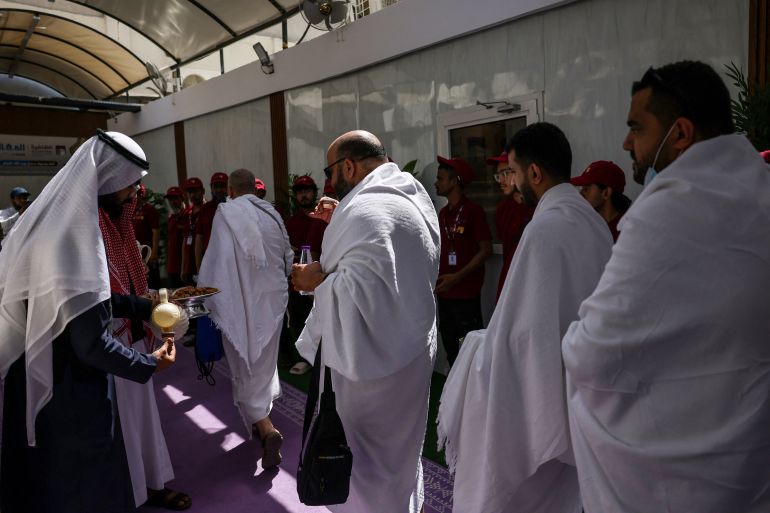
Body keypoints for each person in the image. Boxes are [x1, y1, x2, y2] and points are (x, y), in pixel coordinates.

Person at [563, 60, 770, 513]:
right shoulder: (761, 188)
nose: (626, 143)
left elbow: (594, 352)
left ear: (679, 133)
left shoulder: (666, 212)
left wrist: (574, 341)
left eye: (637, 128)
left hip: (686, 477)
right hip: (752, 461)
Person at [437, 122, 613, 513]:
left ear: (534, 173)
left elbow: (523, 335)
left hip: (545, 385)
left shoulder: (546, 227)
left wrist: (481, 348)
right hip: (585, 386)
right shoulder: (594, 223)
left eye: (513, 173)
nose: (512, 183)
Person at [0, 130, 177, 513]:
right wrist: (150, 363)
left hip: (39, 371)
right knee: (82, 484)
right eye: (130, 186)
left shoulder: (52, 225)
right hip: (69, 387)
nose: (134, 196)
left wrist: (140, 308)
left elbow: (78, 299)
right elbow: (89, 342)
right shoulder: (74, 237)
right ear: (110, 180)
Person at [292, 130, 440, 513]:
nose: (329, 183)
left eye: (330, 173)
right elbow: (386, 270)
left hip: (367, 366)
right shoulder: (413, 197)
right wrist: (340, 216)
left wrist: (312, 282)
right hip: (413, 349)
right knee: (401, 453)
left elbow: (352, 289)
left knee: (364, 466)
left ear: (348, 166)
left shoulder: (360, 211)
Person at [198, 168, 293, 470]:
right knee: (263, 363)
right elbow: (288, 259)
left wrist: (207, 295)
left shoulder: (224, 213)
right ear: (255, 188)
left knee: (243, 363)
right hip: (271, 301)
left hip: (238, 303)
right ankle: (261, 424)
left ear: (231, 190)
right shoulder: (273, 215)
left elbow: (217, 262)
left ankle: (266, 428)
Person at [433, 155, 492, 366]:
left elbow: (485, 251)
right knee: (450, 348)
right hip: (445, 293)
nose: (436, 183)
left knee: (470, 349)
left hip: (465, 295)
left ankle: (474, 397)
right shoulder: (442, 214)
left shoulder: (473, 211)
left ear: (454, 181)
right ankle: (452, 396)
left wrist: (456, 277)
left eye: (440, 178)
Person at [283, 175, 328, 375]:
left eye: (307, 190)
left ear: (315, 192)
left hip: (324, 280)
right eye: (300, 191)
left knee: (326, 320)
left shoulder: (326, 217)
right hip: (299, 282)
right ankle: (305, 358)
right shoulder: (291, 223)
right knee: (299, 318)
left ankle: (325, 360)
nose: (304, 195)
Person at [489, 151, 534, 299]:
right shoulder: (503, 209)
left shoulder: (536, 205)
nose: (501, 180)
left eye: (506, 173)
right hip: (509, 279)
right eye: (498, 175)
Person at [569, 160, 631, 241]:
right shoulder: (586, 222)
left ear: (606, 193)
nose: (581, 193)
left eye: (586, 189)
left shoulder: (627, 231)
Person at [194, 172, 228, 271]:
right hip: (210, 261)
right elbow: (199, 238)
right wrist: (198, 266)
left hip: (230, 260)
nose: (219, 190)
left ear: (228, 187)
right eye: (216, 187)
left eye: (222, 186)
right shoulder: (205, 209)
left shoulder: (235, 207)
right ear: (211, 188)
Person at [132, 184, 161, 287]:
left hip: (148, 252)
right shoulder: (131, 210)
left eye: (137, 194)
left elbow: (156, 232)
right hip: (136, 253)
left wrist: (154, 253)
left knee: (152, 281)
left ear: (141, 195)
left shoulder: (149, 210)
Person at [180, 177, 205, 284]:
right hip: (190, 266)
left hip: (204, 264)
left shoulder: (209, 210)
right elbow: (185, 241)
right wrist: (183, 267)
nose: (192, 195)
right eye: (189, 192)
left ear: (203, 191)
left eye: (195, 191)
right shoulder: (187, 213)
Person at [164, 186, 186, 288]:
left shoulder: (187, 216)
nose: (173, 202)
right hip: (172, 266)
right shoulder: (171, 218)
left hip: (184, 266)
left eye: (175, 199)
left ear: (182, 198)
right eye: (170, 200)